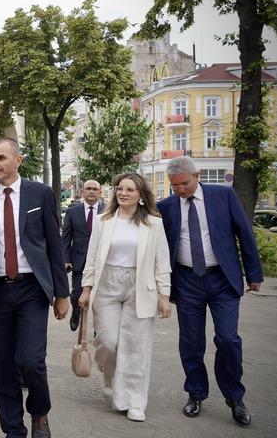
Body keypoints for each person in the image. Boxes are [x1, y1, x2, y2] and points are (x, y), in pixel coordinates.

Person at [0, 137, 69, 438]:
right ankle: (13, 430)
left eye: (1, 158)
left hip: (32, 288)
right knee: (2, 366)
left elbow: (55, 246)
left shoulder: (40, 194)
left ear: (17, 160)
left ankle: (39, 412)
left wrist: (62, 293)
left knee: (31, 360)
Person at [157, 156, 262, 426]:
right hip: (186, 280)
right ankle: (195, 393)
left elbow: (244, 233)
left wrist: (253, 274)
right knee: (191, 343)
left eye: (184, 183)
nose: (180, 189)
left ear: (197, 175)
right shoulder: (166, 207)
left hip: (222, 280)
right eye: (174, 185)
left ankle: (234, 397)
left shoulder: (223, 196)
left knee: (228, 340)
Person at [78, 173, 172, 423]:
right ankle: (110, 375)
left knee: (136, 346)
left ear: (141, 195)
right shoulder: (103, 220)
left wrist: (164, 296)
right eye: (120, 189)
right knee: (108, 341)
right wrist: (86, 288)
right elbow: (92, 257)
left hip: (140, 287)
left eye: (130, 190)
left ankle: (134, 401)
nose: (123, 193)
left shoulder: (154, 223)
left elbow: (161, 262)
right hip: (107, 283)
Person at [61, 180, 104, 331]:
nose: (92, 192)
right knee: (76, 294)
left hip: (101, 261)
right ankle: (76, 313)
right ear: (83, 192)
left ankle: (98, 328)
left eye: (95, 189)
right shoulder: (73, 211)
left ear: (100, 192)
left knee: (100, 299)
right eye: (88, 189)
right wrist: (65, 259)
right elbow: (66, 238)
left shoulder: (108, 211)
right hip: (79, 260)